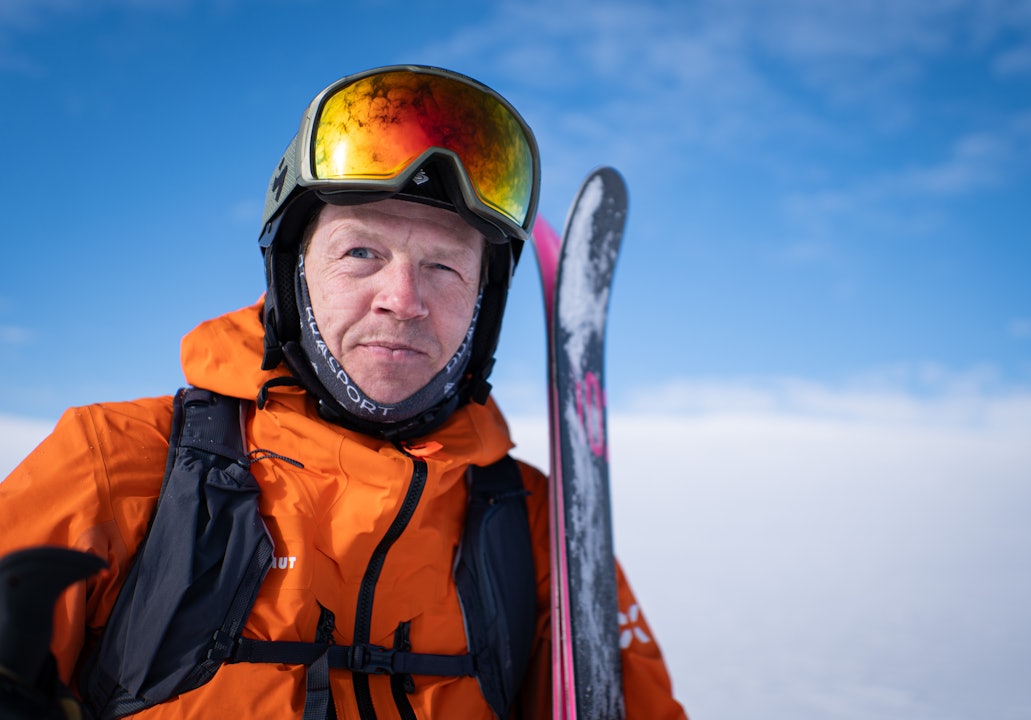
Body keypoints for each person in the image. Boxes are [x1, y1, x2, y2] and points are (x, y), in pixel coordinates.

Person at [0, 65, 686, 719]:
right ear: (293, 272)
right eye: (361, 252)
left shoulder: (536, 526)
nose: (403, 299)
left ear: (485, 304)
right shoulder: (115, 463)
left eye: (445, 266)